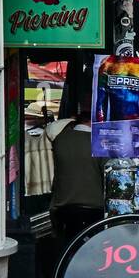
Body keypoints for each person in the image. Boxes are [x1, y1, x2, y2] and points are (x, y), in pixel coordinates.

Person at [47, 101, 106, 244]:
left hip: (63, 205)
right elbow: (106, 172)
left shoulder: (60, 139)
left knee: (67, 244)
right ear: (93, 123)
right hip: (93, 206)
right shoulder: (98, 142)